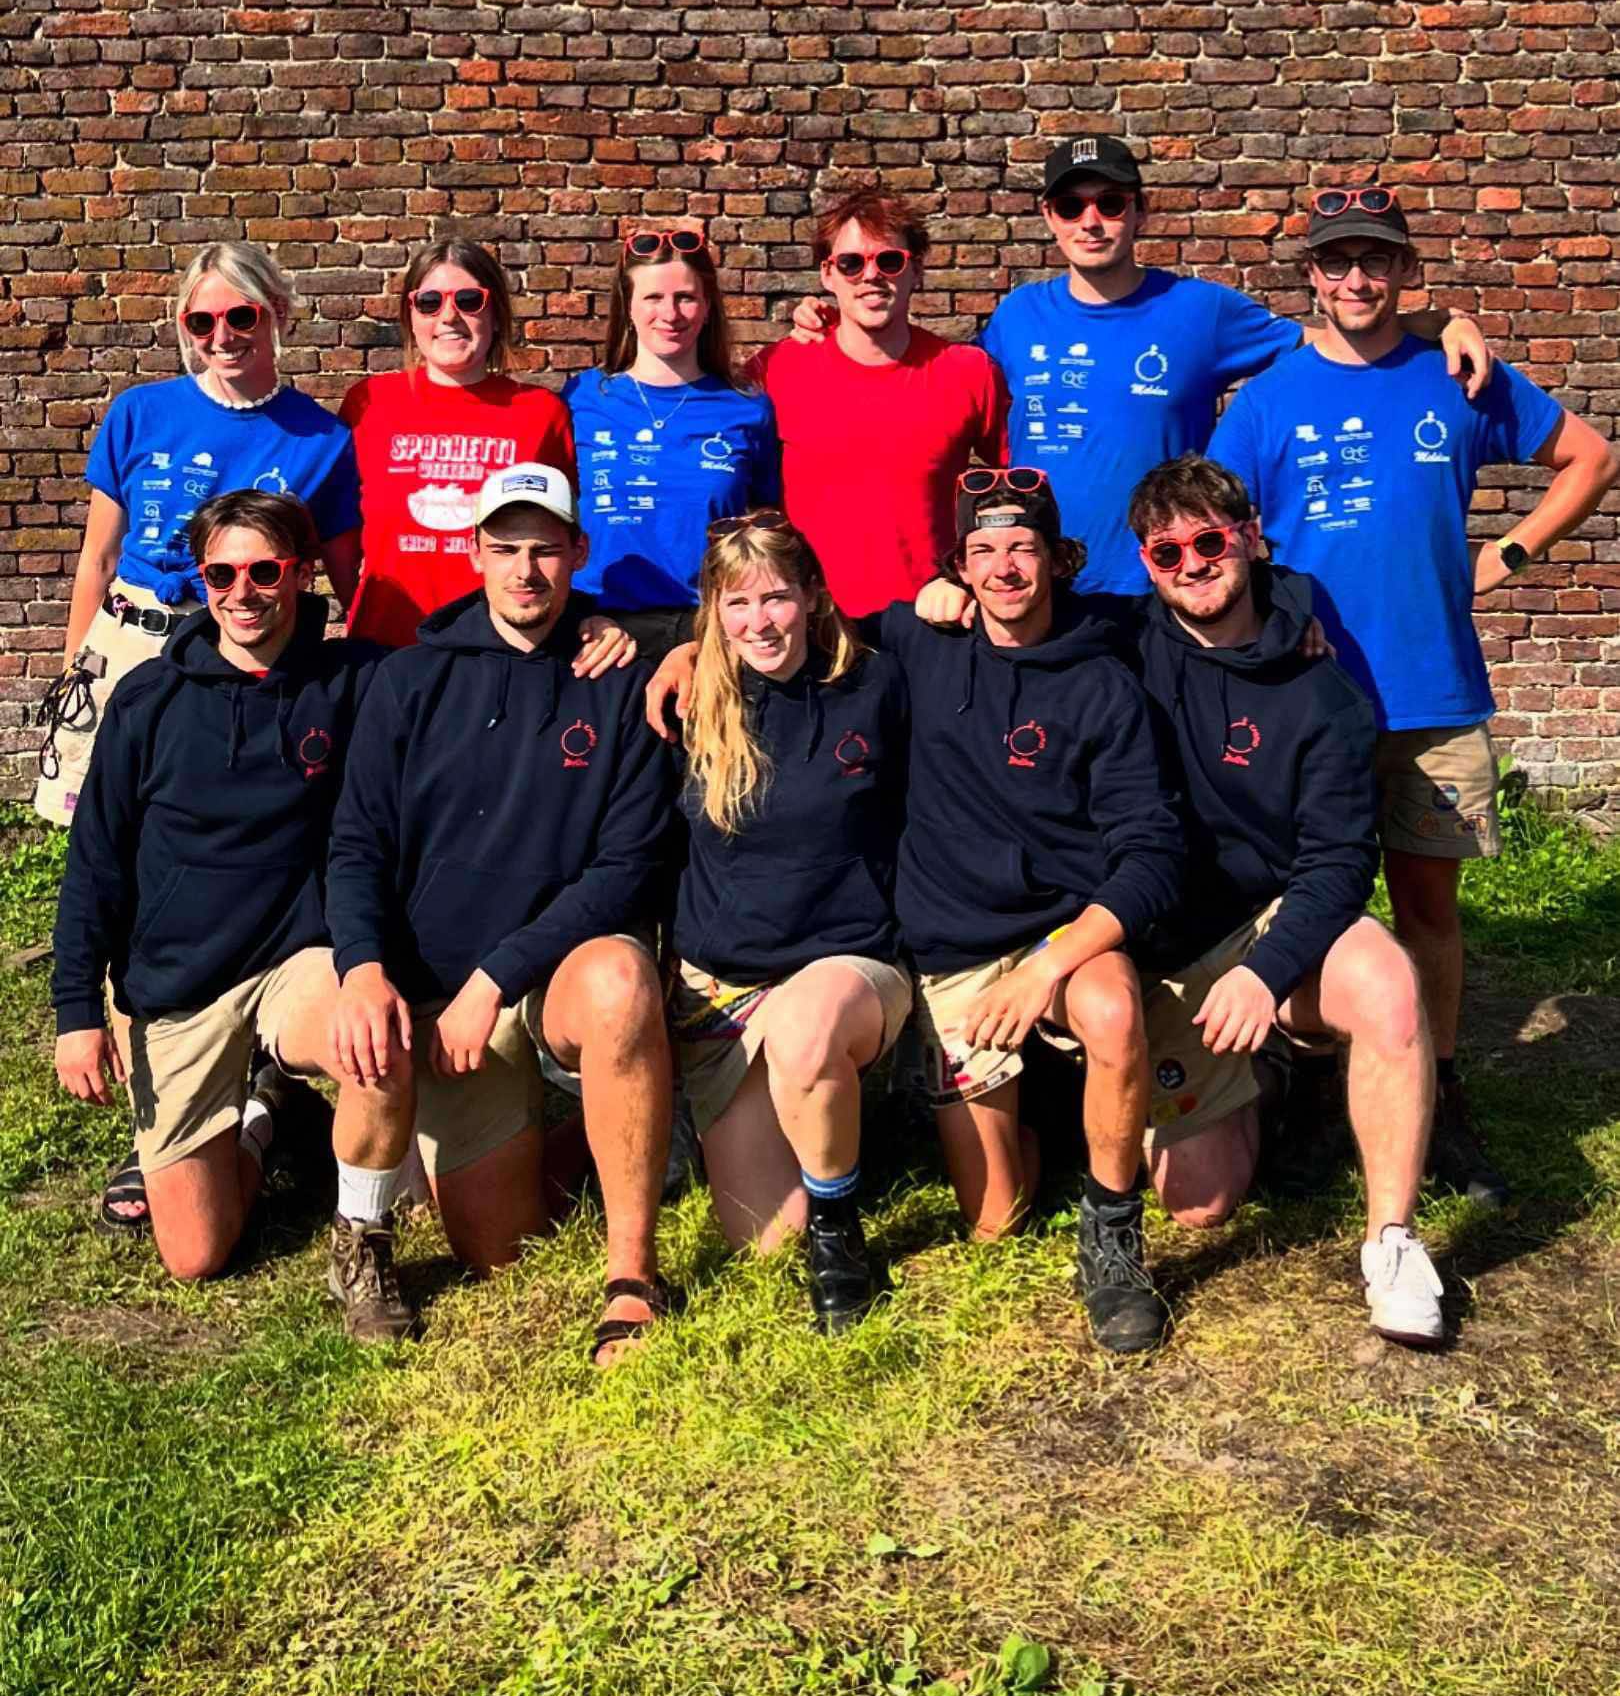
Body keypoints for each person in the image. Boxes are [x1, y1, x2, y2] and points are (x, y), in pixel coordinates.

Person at [648, 469, 1187, 1357]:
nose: (1004, 568)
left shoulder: (1086, 676)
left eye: (1023, 548)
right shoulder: (912, 644)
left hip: (1043, 943)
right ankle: (1045, 1110)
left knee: (1111, 1005)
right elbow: (761, 626)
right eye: (983, 551)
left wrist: (1289, 607)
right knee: (981, 1220)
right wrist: (684, 650)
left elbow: (1154, 847)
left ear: (1056, 559)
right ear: (958, 567)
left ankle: (1112, 1232)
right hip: (945, 951)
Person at [1209, 184, 1620, 1205]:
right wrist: (1269, 618)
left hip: (1433, 695)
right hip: (1310, 704)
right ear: (1311, 275)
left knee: (1429, 909)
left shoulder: (1459, 379)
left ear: (1405, 270)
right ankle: (1315, 1091)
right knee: (1313, 902)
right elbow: (1217, 533)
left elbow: (1590, 457)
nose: (1357, 278)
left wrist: (1510, 552)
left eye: (1377, 259)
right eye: (1337, 261)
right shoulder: (1267, 401)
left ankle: (1441, 1092)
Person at [36, 241, 363, 1237]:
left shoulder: (320, 438)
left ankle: (263, 1072)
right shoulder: (140, 413)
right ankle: (153, 1114)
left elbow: (347, 578)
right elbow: (96, 558)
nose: (222, 336)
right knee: (122, 868)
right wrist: (80, 672)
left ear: (279, 318)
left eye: (242, 317)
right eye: (202, 321)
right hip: (136, 647)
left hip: (250, 641)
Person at [788, 139, 1491, 596]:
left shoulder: (1203, 311)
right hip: (1044, 592)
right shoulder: (1016, 317)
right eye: (1073, 205)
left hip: (1164, 585)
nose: (1091, 220)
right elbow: (932, 385)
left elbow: (1334, 338)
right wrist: (825, 318)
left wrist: (1438, 321)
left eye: (1110, 203)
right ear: (1049, 217)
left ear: (1139, 212)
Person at [325, 463, 677, 1367]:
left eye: (546, 549)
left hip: (543, 980)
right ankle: (592, 1136)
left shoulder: (618, 678)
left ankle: (632, 1277)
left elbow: (628, 867)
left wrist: (496, 978)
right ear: (474, 553)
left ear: (578, 553)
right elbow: (357, 845)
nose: (526, 570)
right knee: (499, 1249)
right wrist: (364, 966)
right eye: (507, 547)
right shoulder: (408, 680)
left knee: (622, 978)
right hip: (441, 1002)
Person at [49, 491, 417, 1342]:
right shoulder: (148, 699)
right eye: (222, 574)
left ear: (302, 573)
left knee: (378, 1036)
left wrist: (598, 629)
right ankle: (267, 1115)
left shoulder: (354, 681)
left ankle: (362, 1243)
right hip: (178, 979)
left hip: (297, 959)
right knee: (196, 1252)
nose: (243, 592)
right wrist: (76, 1013)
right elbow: (95, 863)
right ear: (202, 579)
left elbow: (475, 657)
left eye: (265, 571)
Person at [1122, 456, 1445, 1345]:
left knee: (1387, 984)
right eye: (1167, 551)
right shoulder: (1122, 643)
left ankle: (1393, 1243)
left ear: (1251, 537)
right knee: (1201, 1204)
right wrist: (943, 599)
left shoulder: (1323, 690)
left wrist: (1265, 972)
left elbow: (1339, 862)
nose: (1192, 563)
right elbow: (1014, 612)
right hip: (1170, 941)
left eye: (1209, 541)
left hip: (1270, 915)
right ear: (1146, 564)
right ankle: (1274, 1072)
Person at [669, 510, 911, 1331]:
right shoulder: (690, 703)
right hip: (725, 985)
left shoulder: (876, 684)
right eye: (737, 603)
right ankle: (813, 1119)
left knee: (808, 1032)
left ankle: (839, 1232)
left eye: (775, 597)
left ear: (811, 596)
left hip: (846, 963)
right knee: (764, 1238)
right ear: (713, 611)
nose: (760, 621)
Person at [750, 187, 1009, 614]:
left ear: (916, 270)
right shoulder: (776, 370)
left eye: (889, 261)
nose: (871, 275)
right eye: (851, 263)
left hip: (931, 617)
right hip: (813, 622)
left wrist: (971, 577)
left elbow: (1016, 493)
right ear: (827, 274)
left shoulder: (968, 371)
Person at [340, 236, 578, 650]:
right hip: (385, 648)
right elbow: (338, 534)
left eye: (469, 300)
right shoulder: (369, 403)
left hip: (498, 648)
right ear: (410, 316)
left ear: (496, 314)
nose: (448, 316)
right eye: (429, 302)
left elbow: (566, 542)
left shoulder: (540, 413)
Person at [563, 226, 780, 666]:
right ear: (628, 306)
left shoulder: (747, 408)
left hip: (708, 633)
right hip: (599, 632)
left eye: (685, 297)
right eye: (653, 298)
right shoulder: (581, 399)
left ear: (707, 307)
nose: (670, 313)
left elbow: (766, 528)